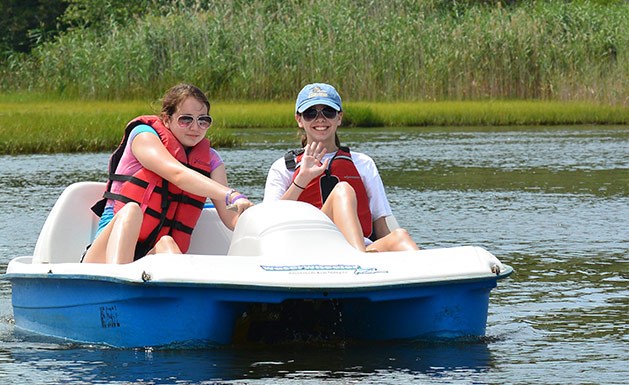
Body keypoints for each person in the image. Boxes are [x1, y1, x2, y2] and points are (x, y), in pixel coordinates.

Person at [83, 83, 254, 264]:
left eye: (203, 120)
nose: (195, 127)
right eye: (185, 119)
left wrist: (255, 216)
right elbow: (177, 174)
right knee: (131, 210)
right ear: (166, 119)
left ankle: (175, 290)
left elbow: (230, 218)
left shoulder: (211, 159)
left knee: (167, 243)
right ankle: (119, 281)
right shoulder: (143, 136)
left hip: (146, 262)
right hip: (101, 259)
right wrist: (232, 194)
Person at [264, 83, 418, 252]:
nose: (320, 119)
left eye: (328, 112)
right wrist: (302, 178)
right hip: (308, 248)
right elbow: (271, 221)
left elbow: (380, 223)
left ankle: (424, 276)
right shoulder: (284, 167)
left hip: (360, 246)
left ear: (339, 118)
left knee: (400, 236)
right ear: (299, 120)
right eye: (310, 113)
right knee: (342, 190)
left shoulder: (363, 163)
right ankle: (360, 260)